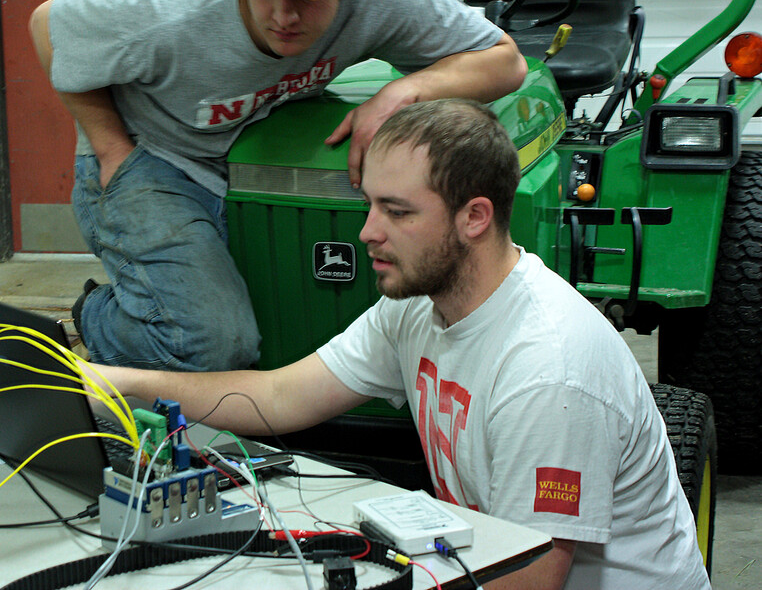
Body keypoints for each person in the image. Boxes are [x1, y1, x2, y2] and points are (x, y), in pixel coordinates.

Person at [85, 99, 711, 589]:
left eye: (397, 212)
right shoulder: (414, 308)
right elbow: (276, 396)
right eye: (368, 206)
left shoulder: (548, 372)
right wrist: (118, 383)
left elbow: (527, 580)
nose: (367, 233)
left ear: (475, 217)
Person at [30, 0, 527, 372]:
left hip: (249, 155)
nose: (284, 15)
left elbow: (506, 61)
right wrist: (113, 150)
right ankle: (95, 318)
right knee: (214, 346)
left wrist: (405, 89)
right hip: (155, 157)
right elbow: (48, 24)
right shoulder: (171, 6)